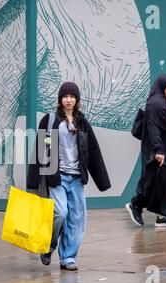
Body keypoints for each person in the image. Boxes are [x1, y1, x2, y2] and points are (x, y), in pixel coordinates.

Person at [27, 81, 111, 271]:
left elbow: (93, 151)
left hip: (76, 179)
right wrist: (32, 180)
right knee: (60, 213)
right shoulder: (49, 120)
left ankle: (68, 257)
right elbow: (38, 150)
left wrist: (102, 181)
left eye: (72, 97)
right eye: (65, 96)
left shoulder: (82, 123)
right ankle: (49, 245)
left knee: (77, 219)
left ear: (77, 100)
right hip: (56, 176)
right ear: (60, 99)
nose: (68, 100)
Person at [125, 74, 166, 227]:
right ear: (162, 86)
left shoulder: (164, 102)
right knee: (153, 180)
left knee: (165, 182)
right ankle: (135, 204)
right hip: (158, 150)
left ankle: (162, 216)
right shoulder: (155, 103)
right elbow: (152, 127)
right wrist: (158, 150)